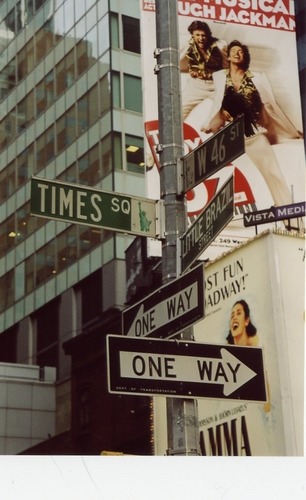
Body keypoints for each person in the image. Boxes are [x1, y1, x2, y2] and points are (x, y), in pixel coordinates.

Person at [203, 40, 301, 207]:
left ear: (245, 57)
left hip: (255, 134)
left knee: (273, 174)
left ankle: (288, 216)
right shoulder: (219, 77)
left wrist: (288, 130)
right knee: (223, 175)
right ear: (229, 56)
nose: (237, 53)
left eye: (240, 51)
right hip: (230, 136)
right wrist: (210, 123)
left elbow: (270, 106)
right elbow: (217, 103)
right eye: (233, 50)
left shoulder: (258, 77)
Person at [180, 21, 227, 121]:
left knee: (233, 110)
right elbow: (180, 63)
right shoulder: (187, 45)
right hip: (197, 85)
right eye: (197, 35)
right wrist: (192, 71)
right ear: (192, 34)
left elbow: (228, 66)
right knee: (180, 111)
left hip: (217, 85)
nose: (201, 38)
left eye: (203, 35)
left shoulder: (219, 45)